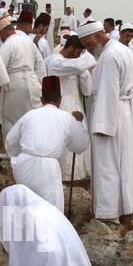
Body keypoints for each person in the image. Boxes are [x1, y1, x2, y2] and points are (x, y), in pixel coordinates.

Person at [77, 20, 133, 222]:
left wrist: (102, 126)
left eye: (87, 45)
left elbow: (108, 93)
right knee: (126, 161)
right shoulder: (122, 49)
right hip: (125, 112)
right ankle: (127, 203)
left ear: (95, 37)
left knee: (108, 164)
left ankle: (109, 211)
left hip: (112, 116)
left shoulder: (109, 57)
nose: (87, 50)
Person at [4, 75, 89, 210]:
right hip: (47, 168)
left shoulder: (30, 114)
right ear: (60, 100)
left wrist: (19, 157)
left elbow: (10, 142)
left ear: (41, 100)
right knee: (50, 210)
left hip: (24, 164)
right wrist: (79, 122)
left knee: (27, 205)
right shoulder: (66, 117)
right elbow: (80, 145)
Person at [45, 34, 96, 184]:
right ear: (71, 48)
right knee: (65, 138)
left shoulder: (73, 64)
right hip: (61, 103)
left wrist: (84, 72)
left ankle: (79, 173)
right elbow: (77, 66)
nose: (78, 57)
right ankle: (65, 174)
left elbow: (87, 89)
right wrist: (84, 66)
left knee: (79, 137)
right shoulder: (55, 61)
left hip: (75, 103)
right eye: (77, 53)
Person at [0, 16, 44, 139]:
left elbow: (0, 69)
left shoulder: (8, 44)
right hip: (33, 82)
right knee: (32, 116)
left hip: (15, 84)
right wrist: (40, 85)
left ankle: (13, 152)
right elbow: (40, 66)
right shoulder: (29, 42)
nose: (0, 39)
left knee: (11, 118)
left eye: (0, 35)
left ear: (5, 31)